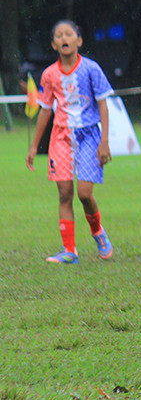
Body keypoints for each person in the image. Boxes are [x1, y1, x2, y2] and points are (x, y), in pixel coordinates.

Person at [26, 21, 114, 265]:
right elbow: (45, 110)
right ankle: (69, 250)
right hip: (61, 137)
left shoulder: (91, 69)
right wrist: (34, 146)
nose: (64, 38)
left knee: (85, 194)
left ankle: (98, 231)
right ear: (54, 44)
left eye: (68, 34)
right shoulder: (49, 75)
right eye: (58, 35)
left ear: (79, 40)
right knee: (64, 193)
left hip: (89, 136)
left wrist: (104, 141)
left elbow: (103, 104)